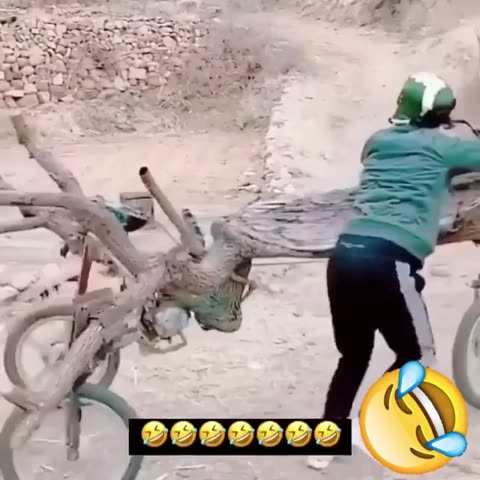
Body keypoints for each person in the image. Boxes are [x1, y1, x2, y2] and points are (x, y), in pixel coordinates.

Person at [308, 72, 480, 470]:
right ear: (441, 115)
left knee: (353, 355)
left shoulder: (377, 141)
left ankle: (324, 443)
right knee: (418, 355)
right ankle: (372, 426)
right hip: (389, 260)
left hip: (345, 256)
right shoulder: (445, 147)